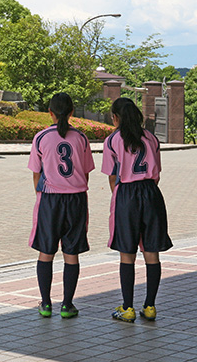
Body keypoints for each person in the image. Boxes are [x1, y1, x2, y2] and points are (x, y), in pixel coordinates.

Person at [102, 97, 172, 323]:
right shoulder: (151, 138)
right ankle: (150, 306)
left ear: (115, 118)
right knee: (152, 252)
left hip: (126, 194)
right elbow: (157, 172)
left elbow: (112, 176)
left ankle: (128, 308)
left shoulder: (112, 140)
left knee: (127, 253)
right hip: (151, 193)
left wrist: (120, 198)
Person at [28, 93, 95, 319]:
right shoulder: (81, 138)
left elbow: (36, 174)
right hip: (76, 198)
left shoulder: (41, 137)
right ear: (72, 112)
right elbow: (86, 172)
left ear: (50, 113)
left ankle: (46, 304)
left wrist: (42, 193)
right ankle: (67, 305)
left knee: (46, 252)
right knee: (71, 253)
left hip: (50, 199)